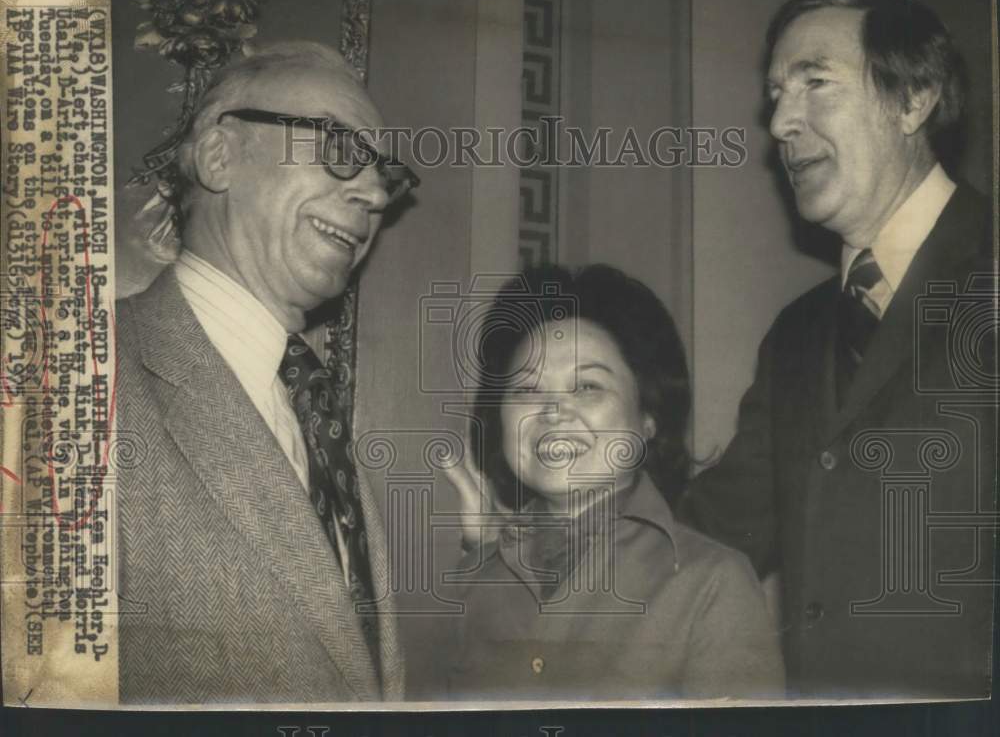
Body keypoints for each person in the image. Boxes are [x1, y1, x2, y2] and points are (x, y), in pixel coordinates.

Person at [679, 0, 996, 698]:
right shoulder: (794, 335)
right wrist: (558, 536)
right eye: (775, 96)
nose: (782, 122)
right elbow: (709, 536)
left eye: (814, 82)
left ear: (913, 99)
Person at [115, 41, 419, 703]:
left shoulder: (310, 404)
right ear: (221, 155)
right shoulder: (73, 380)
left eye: (384, 178)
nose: (372, 195)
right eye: (341, 148)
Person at [444, 265, 785, 700]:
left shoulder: (713, 585)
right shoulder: (468, 583)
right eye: (526, 390)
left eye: (586, 386)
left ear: (647, 418)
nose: (552, 412)